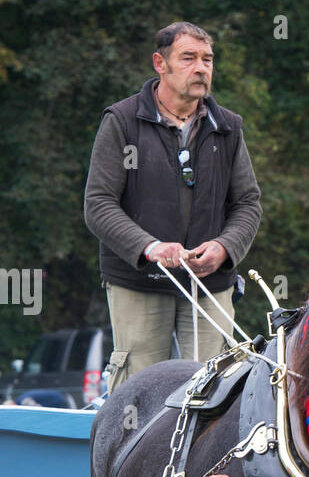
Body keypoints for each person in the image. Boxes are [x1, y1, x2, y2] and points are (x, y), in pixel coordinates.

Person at [84, 21, 262, 392]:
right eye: (188, 58)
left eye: (207, 59)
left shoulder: (228, 126)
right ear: (160, 63)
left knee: (215, 389)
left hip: (210, 283)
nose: (201, 68)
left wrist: (225, 247)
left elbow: (247, 203)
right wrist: (150, 248)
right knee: (141, 394)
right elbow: (98, 204)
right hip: (140, 281)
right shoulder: (122, 121)